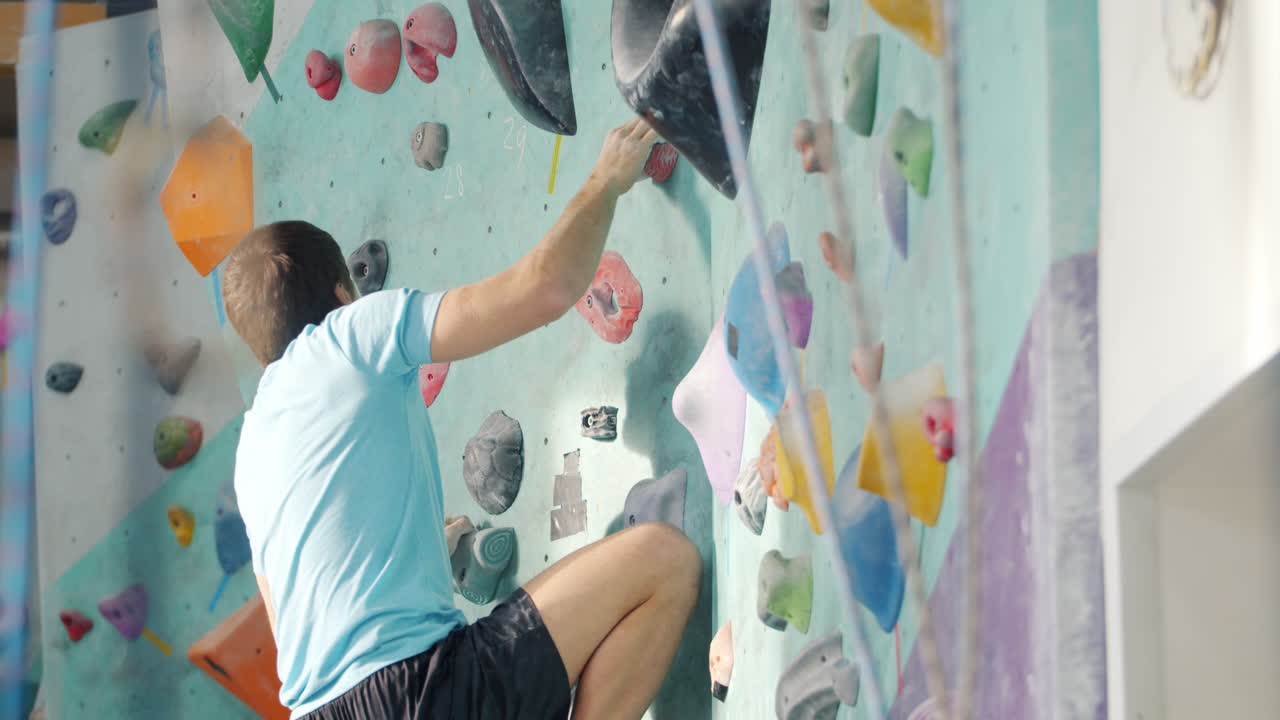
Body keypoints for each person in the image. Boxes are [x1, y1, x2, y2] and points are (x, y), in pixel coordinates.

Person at [223, 118, 700, 720]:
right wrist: (606, 179)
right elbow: (546, 286)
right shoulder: (348, 336)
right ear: (344, 296)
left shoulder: (251, 452)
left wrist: (428, 548)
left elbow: (302, 618)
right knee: (664, 561)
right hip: (416, 693)